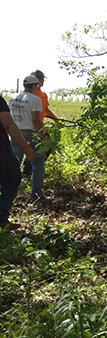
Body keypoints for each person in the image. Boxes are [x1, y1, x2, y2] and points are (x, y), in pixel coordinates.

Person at [0, 94, 36, 230]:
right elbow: (8, 125)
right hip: (1, 150)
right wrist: (25, 146)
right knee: (12, 179)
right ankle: (1, 217)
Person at [8, 75, 46, 201]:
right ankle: (36, 193)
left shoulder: (13, 97)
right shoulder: (35, 99)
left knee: (13, 164)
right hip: (30, 135)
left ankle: (9, 194)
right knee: (38, 164)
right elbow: (36, 121)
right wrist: (43, 137)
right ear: (35, 85)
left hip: (15, 134)